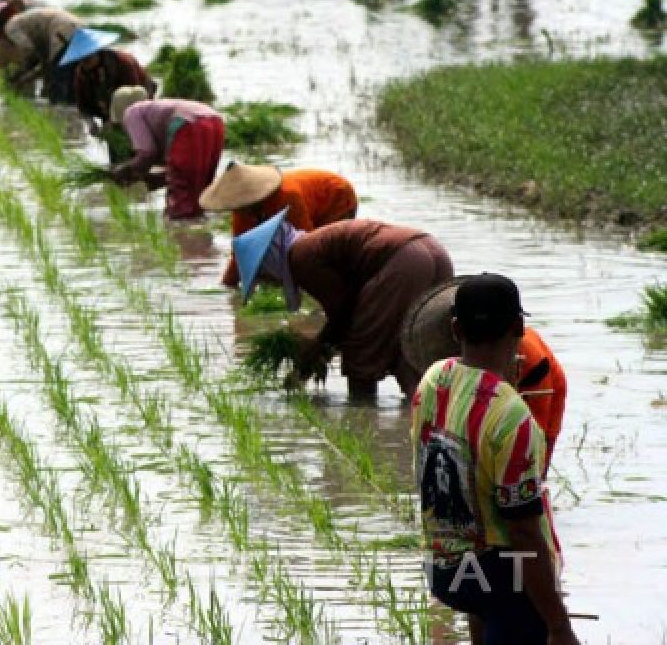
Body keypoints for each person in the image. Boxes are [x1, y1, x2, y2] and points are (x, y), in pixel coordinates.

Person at [411, 274, 580, 645]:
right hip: (501, 579)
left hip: (446, 571)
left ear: (455, 328)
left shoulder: (433, 380)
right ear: (520, 327)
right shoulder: (511, 415)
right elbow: (522, 530)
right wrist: (559, 624)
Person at [233, 213, 453, 397]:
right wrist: (321, 350)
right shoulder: (314, 244)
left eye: (264, 276)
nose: (271, 283)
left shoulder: (301, 256)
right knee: (407, 349)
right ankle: (423, 415)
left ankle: (362, 420)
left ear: (269, 262)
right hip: (434, 252)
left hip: (405, 262)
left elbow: (343, 311)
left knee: (360, 354)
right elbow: (351, 303)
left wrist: (315, 349)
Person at [400, 278, 568, 467]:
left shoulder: (530, 359)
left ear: (456, 329)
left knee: (532, 457)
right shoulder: (438, 373)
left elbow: (531, 446)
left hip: (539, 382)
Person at [200, 164, 359, 288]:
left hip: (336, 196)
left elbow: (308, 243)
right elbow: (242, 253)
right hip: (313, 205)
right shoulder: (241, 210)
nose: (241, 212)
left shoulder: (287, 196)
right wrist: (229, 285)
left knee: (329, 251)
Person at [107, 87, 225, 220]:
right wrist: (156, 178)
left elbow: (147, 152)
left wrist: (127, 170)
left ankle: (183, 235)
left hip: (188, 125)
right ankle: (200, 231)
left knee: (180, 206)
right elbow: (177, 166)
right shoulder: (154, 110)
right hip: (215, 121)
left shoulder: (131, 112)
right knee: (200, 189)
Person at [0, 7, 81, 102]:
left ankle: (59, 111)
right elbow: (44, 65)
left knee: (58, 80)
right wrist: (24, 78)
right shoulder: (32, 33)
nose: (14, 62)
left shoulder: (11, 28)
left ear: (7, 51)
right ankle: (71, 111)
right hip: (78, 26)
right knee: (72, 80)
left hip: (63, 30)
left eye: (9, 61)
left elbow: (29, 49)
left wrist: (22, 72)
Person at [72, 47, 157, 133]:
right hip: (108, 110)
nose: (85, 62)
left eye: (88, 58)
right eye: (82, 60)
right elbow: (82, 106)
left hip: (137, 98)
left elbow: (135, 97)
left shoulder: (123, 62)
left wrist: (114, 121)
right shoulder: (81, 74)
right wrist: (91, 123)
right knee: (113, 136)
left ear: (97, 52)